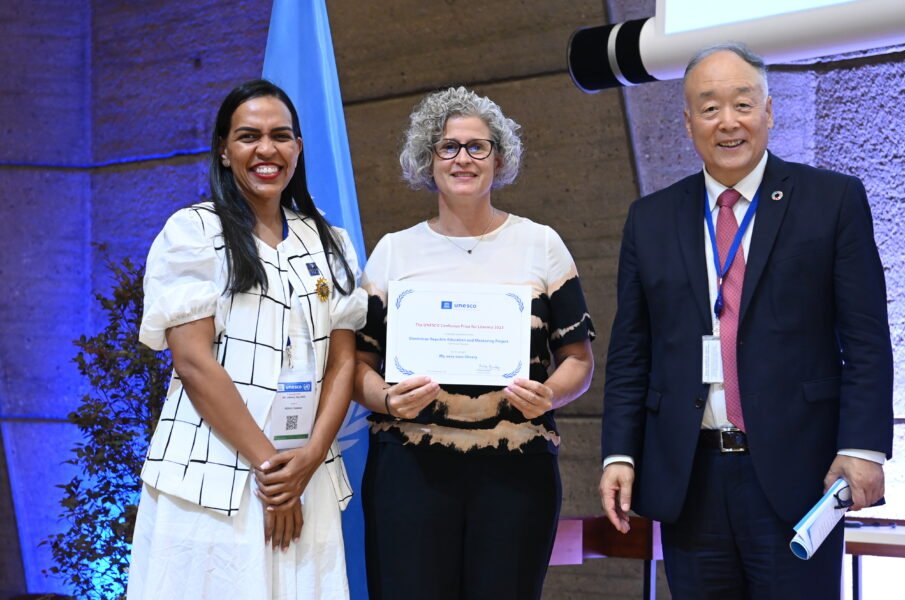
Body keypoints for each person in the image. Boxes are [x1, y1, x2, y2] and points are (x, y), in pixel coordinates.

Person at [599, 44, 893, 599]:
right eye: (709, 108)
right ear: (688, 122)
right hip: (689, 477)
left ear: (769, 111)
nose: (728, 122)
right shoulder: (650, 219)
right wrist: (619, 452)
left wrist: (864, 446)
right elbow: (631, 351)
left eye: (742, 103)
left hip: (801, 473)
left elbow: (867, 339)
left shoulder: (831, 200)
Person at [127, 79, 367, 599]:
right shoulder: (193, 231)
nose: (266, 150)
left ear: (298, 148)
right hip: (212, 475)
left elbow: (342, 363)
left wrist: (306, 461)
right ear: (223, 148)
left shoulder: (331, 241)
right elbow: (193, 363)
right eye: (248, 136)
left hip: (306, 472)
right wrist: (271, 470)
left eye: (280, 136)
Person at [353, 86, 596, 600]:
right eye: (448, 147)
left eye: (477, 146)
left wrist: (551, 394)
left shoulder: (542, 244)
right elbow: (357, 365)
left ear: (498, 159)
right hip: (409, 468)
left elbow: (578, 360)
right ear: (428, 159)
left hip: (516, 470)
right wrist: (387, 399)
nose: (462, 158)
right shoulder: (394, 252)